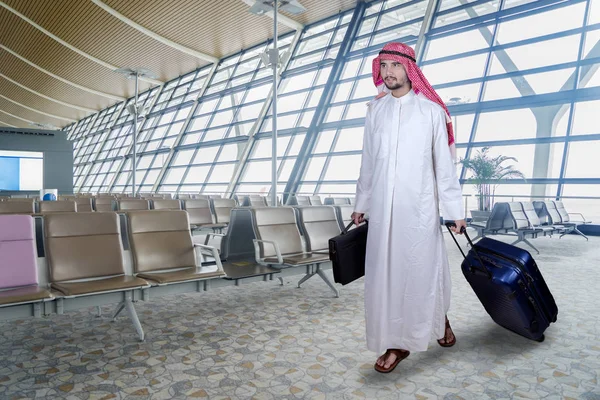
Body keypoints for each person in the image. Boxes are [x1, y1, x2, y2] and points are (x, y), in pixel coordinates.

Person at [351, 42, 467, 374]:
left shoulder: (431, 112)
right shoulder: (375, 111)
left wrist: (454, 210)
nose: (388, 72)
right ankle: (398, 340)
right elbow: (368, 163)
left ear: (409, 70)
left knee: (420, 271)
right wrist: (362, 204)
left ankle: (425, 329)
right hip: (383, 212)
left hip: (419, 211)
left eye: (395, 66)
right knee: (386, 277)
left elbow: (443, 167)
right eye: (383, 65)